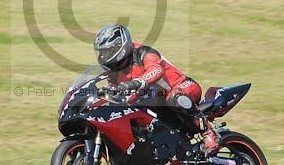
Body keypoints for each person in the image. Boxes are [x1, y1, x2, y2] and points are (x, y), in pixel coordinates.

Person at [93, 24, 220, 155]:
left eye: (107, 51)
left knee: (174, 97)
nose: (103, 56)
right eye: (101, 52)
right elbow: (114, 88)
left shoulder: (143, 53)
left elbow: (156, 70)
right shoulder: (113, 69)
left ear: (119, 47)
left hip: (182, 86)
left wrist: (137, 82)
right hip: (155, 98)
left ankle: (209, 133)